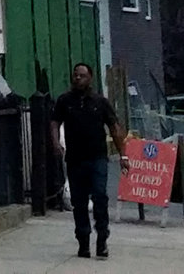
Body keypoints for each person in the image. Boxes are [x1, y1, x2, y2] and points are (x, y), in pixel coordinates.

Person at [54, 62, 123, 260]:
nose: (78, 78)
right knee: (79, 202)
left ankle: (102, 237)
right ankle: (83, 240)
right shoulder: (65, 101)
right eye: (75, 75)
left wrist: (123, 155)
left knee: (100, 196)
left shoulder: (100, 102)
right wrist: (55, 143)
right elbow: (54, 122)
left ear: (90, 78)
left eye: (82, 75)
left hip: (97, 158)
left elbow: (114, 127)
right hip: (75, 159)